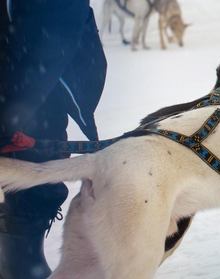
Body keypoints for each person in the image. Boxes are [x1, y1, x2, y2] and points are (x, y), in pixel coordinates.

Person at [0, 0, 106, 278]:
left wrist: (8, 119)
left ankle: (20, 258)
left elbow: (46, 49)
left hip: (32, 104)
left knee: (29, 194)